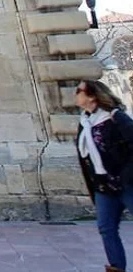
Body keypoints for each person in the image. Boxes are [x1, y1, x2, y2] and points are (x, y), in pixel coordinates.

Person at [75, 79, 133, 272]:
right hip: (103, 185)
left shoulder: (116, 117)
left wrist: (126, 175)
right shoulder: (85, 122)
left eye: (79, 90)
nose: (76, 94)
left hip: (126, 182)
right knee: (106, 228)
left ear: (92, 96)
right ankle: (117, 268)